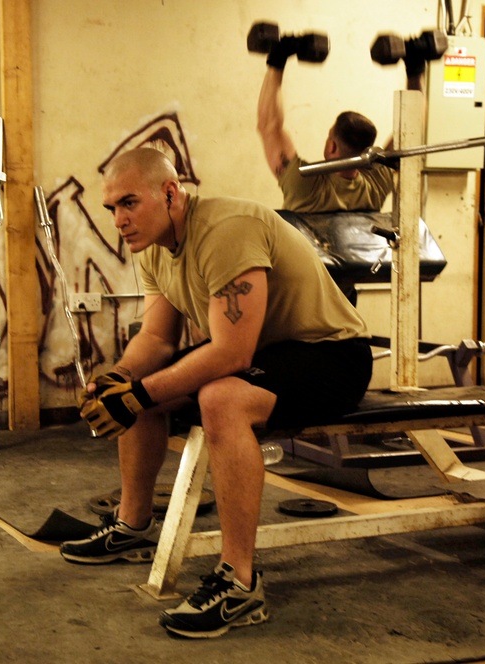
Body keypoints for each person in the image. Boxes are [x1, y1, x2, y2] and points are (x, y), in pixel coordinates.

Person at [58, 148, 373, 639]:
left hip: (332, 354)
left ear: (169, 193)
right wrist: (119, 379)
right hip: (269, 351)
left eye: (128, 203)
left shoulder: (226, 229)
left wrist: (138, 394)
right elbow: (157, 339)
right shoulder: (156, 247)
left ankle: (240, 583)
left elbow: (231, 354)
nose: (119, 220)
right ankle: (132, 527)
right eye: (111, 208)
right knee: (137, 388)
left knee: (220, 398)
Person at [257, 38, 426, 303]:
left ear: (332, 146)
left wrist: (276, 60)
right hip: (344, 296)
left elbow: (269, 126)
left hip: (299, 297)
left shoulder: (306, 182)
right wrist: (416, 69)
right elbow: (411, 131)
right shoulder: (377, 181)